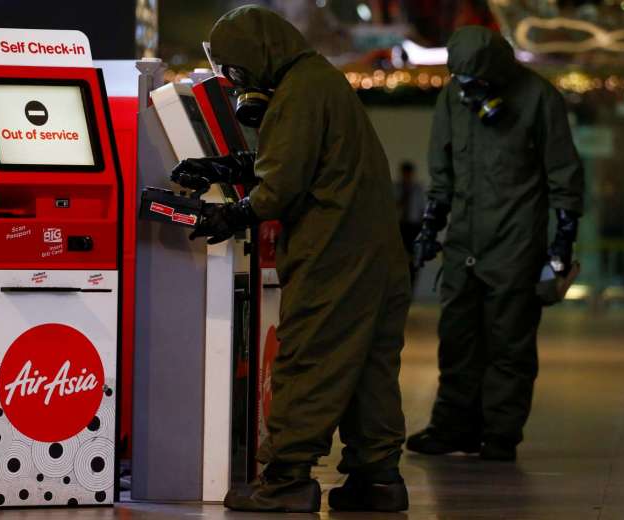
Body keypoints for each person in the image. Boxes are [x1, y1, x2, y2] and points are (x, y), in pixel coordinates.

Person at [170, 5, 411, 513]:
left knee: (309, 360)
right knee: (369, 369)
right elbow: (299, 159)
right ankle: (378, 479)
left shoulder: (299, 91)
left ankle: (286, 481)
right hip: (376, 254)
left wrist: (230, 216)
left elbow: (280, 186)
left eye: (237, 71)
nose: (238, 82)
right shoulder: (319, 81)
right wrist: (224, 167)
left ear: (256, 56)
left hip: (334, 256)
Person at [406, 26, 584, 461]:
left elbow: (563, 173)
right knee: (456, 338)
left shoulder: (539, 98)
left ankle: (501, 433)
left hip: (514, 243)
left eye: (475, 81)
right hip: (463, 242)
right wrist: (430, 227)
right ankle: (453, 427)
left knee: (509, 342)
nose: (467, 88)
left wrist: (562, 243)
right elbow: (442, 171)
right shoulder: (452, 97)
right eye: (461, 79)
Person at [395, 161, 426, 283]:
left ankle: (411, 282)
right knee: (400, 255)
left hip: (414, 226)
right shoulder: (396, 188)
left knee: (413, 257)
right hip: (400, 226)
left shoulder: (418, 189)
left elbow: (422, 209)